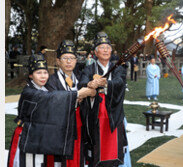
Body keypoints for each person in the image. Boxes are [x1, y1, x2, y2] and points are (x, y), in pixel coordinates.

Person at [7, 53, 94, 167]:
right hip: (28, 136)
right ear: (30, 76)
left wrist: (76, 100)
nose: (43, 76)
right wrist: (77, 94)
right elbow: (49, 98)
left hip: (42, 137)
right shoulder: (29, 92)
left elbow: (56, 99)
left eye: (45, 72)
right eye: (38, 73)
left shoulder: (45, 88)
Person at [79, 32, 130, 167]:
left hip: (114, 113)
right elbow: (82, 83)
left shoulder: (118, 68)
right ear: (95, 52)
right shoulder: (89, 69)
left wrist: (106, 83)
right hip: (96, 114)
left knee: (114, 150)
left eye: (108, 47)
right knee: (97, 150)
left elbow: (120, 83)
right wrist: (90, 85)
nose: (106, 50)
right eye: (102, 47)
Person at [45, 40, 96, 166]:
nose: (69, 61)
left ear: (76, 60)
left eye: (72, 58)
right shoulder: (51, 81)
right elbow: (51, 102)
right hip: (61, 128)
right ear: (58, 61)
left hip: (79, 125)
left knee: (79, 157)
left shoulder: (81, 79)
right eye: (65, 58)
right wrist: (76, 97)